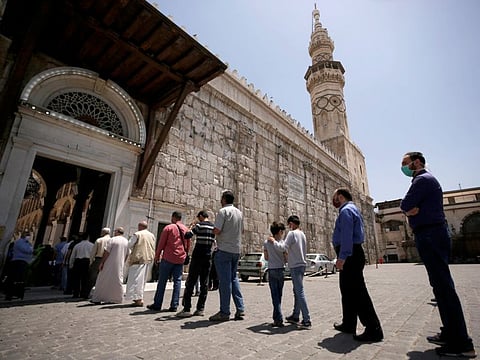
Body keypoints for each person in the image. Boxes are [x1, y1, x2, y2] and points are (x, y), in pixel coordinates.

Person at [400, 151, 476, 357]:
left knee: (444, 287)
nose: (403, 167)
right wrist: (409, 211)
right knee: (440, 288)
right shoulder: (423, 180)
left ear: (416, 162)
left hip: (431, 234)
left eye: (405, 163)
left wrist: (408, 210)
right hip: (430, 234)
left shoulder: (423, 180)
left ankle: (462, 343)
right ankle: (450, 332)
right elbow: (408, 207)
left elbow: (405, 204)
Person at [331, 188, 383, 342]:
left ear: (340, 197)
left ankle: (373, 328)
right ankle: (349, 323)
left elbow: (347, 236)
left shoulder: (346, 211)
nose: (333, 201)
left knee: (358, 292)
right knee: (347, 291)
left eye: (334, 198)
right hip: (352, 254)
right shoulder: (353, 209)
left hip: (350, 254)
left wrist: (342, 257)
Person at [267, 215, 311, 329]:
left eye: (289, 225)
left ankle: (307, 319)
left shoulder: (292, 234)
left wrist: (273, 242)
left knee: (299, 291)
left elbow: (283, 248)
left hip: (295, 266)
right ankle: (295, 315)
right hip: (302, 264)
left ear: (291, 223)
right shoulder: (302, 234)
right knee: (297, 291)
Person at [209, 190, 245, 322]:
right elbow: (242, 230)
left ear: (224, 199)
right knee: (233, 279)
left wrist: (212, 230)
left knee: (224, 282)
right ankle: (240, 308)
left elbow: (217, 230)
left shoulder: (223, 212)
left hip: (224, 249)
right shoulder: (239, 213)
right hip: (236, 250)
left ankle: (225, 311)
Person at [176, 210, 216, 317]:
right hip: (208, 257)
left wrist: (191, 226)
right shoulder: (213, 227)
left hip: (197, 256)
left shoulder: (199, 225)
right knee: (204, 283)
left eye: (199, 217)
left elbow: (187, 235)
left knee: (191, 281)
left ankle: (187, 309)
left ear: (202, 216)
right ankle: (200, 309)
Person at [147, 211, 189, 312]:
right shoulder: (186, 229)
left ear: (173, 218)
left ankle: (157, 304)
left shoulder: (168, 228)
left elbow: (161, 244)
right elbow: (188, 245)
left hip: (168, 258)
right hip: (180, 259)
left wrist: (157, 256)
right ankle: (174, 305)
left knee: (162, 281)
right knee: (177, 282)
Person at [91, 227, 129, 304]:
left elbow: (106, 252)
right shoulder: (126, 241)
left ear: (117, 232)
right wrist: (123, 262)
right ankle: (117, 298)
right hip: (119, 264)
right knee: (117, 281)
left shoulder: (112, 240)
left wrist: (102, 262)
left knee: (102, 280)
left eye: (115, 231)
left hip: (108, 263)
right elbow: (127, 254)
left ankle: (98, 298)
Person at [125, 221, 156, 307]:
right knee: (142, 281)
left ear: (139, 226)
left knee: (135, 280)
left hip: (137, 259)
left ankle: (138, 299)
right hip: (147, 260)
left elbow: (129, 244)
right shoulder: (152, 235)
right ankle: (139, 298)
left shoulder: (137, 234)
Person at [263, 222, 287, 327]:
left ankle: (277, 318)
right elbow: (286, 257)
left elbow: (266, 257)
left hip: (271, 270)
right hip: (281, 270)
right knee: (279, 295)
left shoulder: (266, 242)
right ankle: (278, 318)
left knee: (274, 296)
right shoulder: (283, 243)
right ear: (280, 232)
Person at [4, 230, 33, 300]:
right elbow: (28, 250)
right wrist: (30, 249)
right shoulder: (19, 242)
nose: (28, 237)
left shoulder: (27, 243)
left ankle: (17, 293)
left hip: (24, 262)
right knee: (15, 278)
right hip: (18, 261)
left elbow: (30, 250)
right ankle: (10, 294)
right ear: (24, 236)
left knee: (20, 279)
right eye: (27, 235)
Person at [69, 232, 94, 299]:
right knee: (85, 279)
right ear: (88, 237)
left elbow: (73, 256)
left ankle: (76, 293)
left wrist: (71, 264)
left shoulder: (77, 245)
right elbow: (92, 256)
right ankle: (84, 293)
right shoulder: (91, 245)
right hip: (86, 262)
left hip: (78, 262)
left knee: (76, 279)